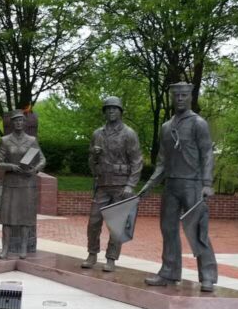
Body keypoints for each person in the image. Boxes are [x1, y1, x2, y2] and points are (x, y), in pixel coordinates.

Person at [138, 82, 218, 292]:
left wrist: (207, 183)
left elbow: (207, 153)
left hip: (193, 184)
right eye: (177, 95)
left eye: (184, 95)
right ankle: (169, 271)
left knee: (198, 230)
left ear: (190, 97)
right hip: (171, 185)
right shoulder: (166, 127)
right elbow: (162, 162)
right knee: (168, 229)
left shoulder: (198, 123)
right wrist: (149, 185)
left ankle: (207, 276)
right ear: (172, 98)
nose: (180, 98)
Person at [81, 96, 143, 272]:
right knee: (93, 222)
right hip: (102, 184)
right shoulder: (97, 134)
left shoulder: (129, 133)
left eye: (114, 108)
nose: (111, 111)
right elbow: (92, 166)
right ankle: (92, 253)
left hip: (121, 185)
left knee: (116, 225)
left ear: (120, 111)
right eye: (108, 109)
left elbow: (137, 161)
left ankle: (111, 258)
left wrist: (131, 185)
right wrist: (93, 155)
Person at [0, 109, 46, 259]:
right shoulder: (5, 140)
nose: (18, 123)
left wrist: (35, 170)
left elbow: (42, 160)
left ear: (24, 123)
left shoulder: (31, 140)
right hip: (11, 183)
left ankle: (24, 248)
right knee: (7, 218)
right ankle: (5, 248)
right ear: (12, 123)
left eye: (21, 120)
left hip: (27, 183)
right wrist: (11, 166)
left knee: (25, 217)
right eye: (16, 120)